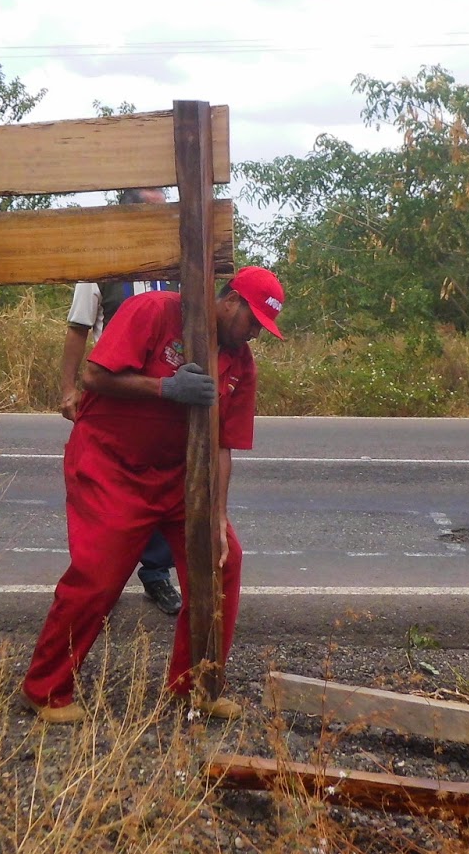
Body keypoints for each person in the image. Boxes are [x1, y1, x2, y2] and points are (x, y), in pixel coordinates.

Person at [21, 265, 286, 724]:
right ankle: (44, 690)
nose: (255, 335)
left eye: (264, 328)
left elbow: (223, 445)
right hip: (110, 465)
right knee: (97, 575)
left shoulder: (240, 363)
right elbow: (94, 376)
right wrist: (166, 388)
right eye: (254, 321)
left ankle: (197, 685)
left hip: (179, 476)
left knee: (222, 560)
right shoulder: (155, 311)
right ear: (230, 301)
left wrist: (218, 517)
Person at [59, 186, 182, 617]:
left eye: (167, 212)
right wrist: (68, 389)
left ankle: (156, 574)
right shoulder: (101, 267)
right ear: (131, 217)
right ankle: (97, 581)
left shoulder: (178, 265)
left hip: (166, 397)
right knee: (106, 491)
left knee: (165, 482)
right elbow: (78, 328)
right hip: (114, 394)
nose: (164, 219)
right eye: (154, 212)